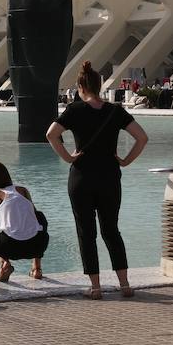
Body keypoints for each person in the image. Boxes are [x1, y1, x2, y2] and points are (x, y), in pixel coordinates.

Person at [47, 61, 149, 299]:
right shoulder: (115, 111)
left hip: (81, 177)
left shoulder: (74, 110)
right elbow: (142, 138)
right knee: (111, 230)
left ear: (81, 86)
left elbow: (51, 134)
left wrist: (68, 158)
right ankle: (125, 285)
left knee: (86, 232)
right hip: (110, 177)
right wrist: (125, 161)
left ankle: (96, 287)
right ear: (99, 86)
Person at [0, 161, 49, 283]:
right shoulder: (23, 191)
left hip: (9, 248)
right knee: (39, 217)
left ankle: (4, 264)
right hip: (37, 245)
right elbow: (33, 217)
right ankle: (37, 268)